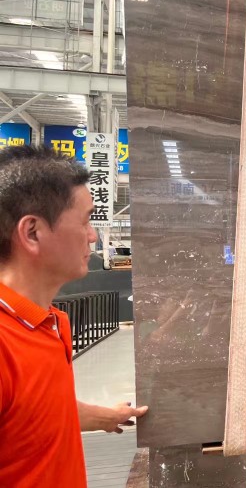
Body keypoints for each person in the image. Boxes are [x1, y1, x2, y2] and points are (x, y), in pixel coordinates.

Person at [0, 145, 148, 488]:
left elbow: (37, 410)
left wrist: (107, 417)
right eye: (85, 221)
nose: (93, 235)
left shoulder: (52, 322)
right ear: (32, 232)